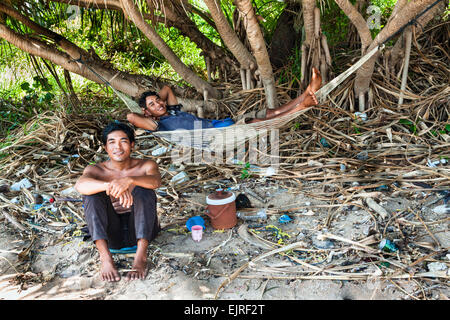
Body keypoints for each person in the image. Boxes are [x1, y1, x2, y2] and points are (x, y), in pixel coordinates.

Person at [75, 121, 161, 282]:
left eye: (123, 141)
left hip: (142, 231)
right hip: (111, 234)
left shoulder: (146, 165)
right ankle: (106, 258)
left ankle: (140, 257)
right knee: (91, 195)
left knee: (144, 189)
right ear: (106, 147)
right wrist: (110, 186)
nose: (118, 147)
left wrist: (129, 180)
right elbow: (80, 185)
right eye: (112, 142)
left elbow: (155, 181)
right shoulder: (96, 170)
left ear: (132, 145)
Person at [127, 68, 322, 132]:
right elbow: (130, 116)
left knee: (269, 112)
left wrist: (156, 102)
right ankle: (302, 106)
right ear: (146, 112)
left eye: (158, 101)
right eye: (152, 105)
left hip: (223, 124)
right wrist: (149, 110)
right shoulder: (159, 126)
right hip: (217, 135)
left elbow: (167, 89)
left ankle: (305, 95)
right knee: (256, 122)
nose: (159, 104)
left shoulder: (173, 112)